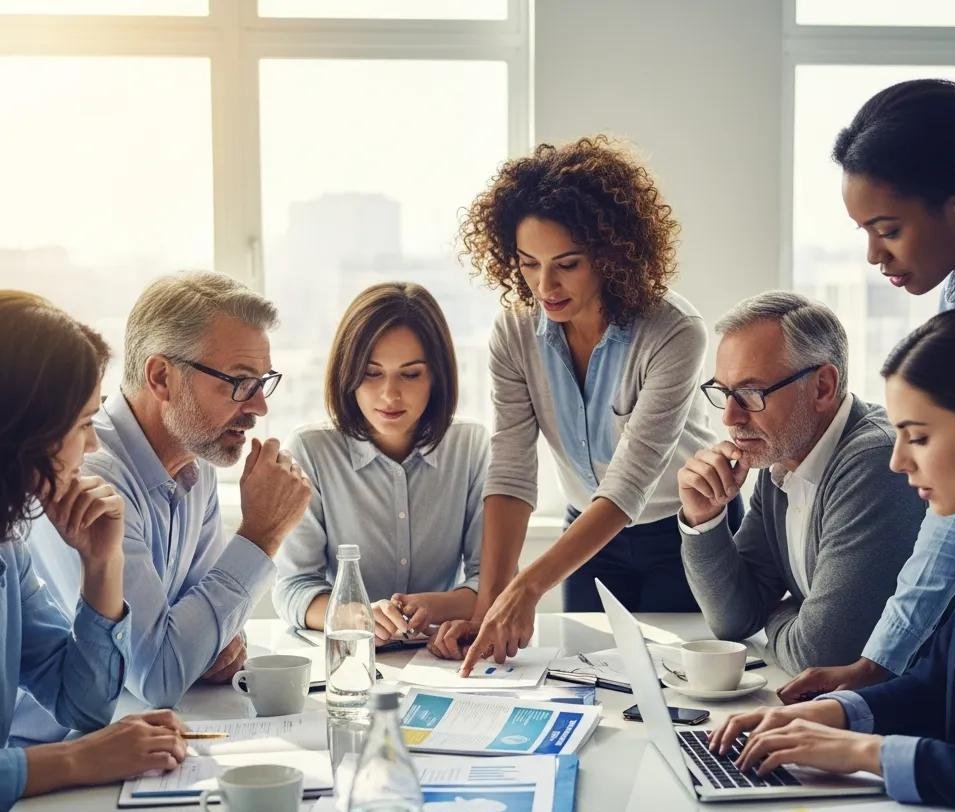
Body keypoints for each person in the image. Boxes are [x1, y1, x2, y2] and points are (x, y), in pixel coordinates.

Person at [712, 307, 955, 812]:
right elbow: (938, 686)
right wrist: (832, 715)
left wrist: (864, 754)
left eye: (918, 437)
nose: (899, 461)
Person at [432, 135, 730, 671]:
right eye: (527, 264)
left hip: (682, 535)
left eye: (566, 264)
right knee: (586, 683)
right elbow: (512, 470)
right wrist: (490, 601)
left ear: (613, 256)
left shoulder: (673, 331)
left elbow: (628, 484)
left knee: (682, 692)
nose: (544, 286)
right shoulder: (515, 333)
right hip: (587, 538)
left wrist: (527, 589)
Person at [780, 77, 955, 701]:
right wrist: (878, 664)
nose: (872, 255)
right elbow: (953, 505)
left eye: (887, 228)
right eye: (864, 230)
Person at [14, 272, 311, 730]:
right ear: (161, 378)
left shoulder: (198, 461)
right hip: (53, 754)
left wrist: (207, 641)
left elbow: (207, 627)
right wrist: (261, 535)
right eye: (239, 382)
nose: (258, 408)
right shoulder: (86, 480)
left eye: (262, 383)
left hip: (112, 738)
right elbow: (161, 674)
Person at [0, 291, 186, 812]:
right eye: (84, 424)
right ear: (24, 429)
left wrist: (102, 564)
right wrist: (79, 759)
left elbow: (82, 703)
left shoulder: (8, 549)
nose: (95, 446)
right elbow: (85, 734)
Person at [677, 291, 924, 675]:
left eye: (751, 393)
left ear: (823, 387)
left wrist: (780, 613)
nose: (729, 416)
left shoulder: (876, 460)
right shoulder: (780, 459)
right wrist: (704, 520)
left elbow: (820, 656)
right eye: (724, 393)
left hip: (904, 717)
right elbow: (734, 620)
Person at [272, 282, 487, 644]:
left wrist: (433, 606)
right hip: (347, 659)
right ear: (348, 373)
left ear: (436, 376)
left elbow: (493, 582)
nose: (390, 394)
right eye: (372, 373)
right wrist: (357, 615)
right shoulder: (311, 450)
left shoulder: (471, 446)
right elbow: (293, 589)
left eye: (411, 373)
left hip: (441, 659)